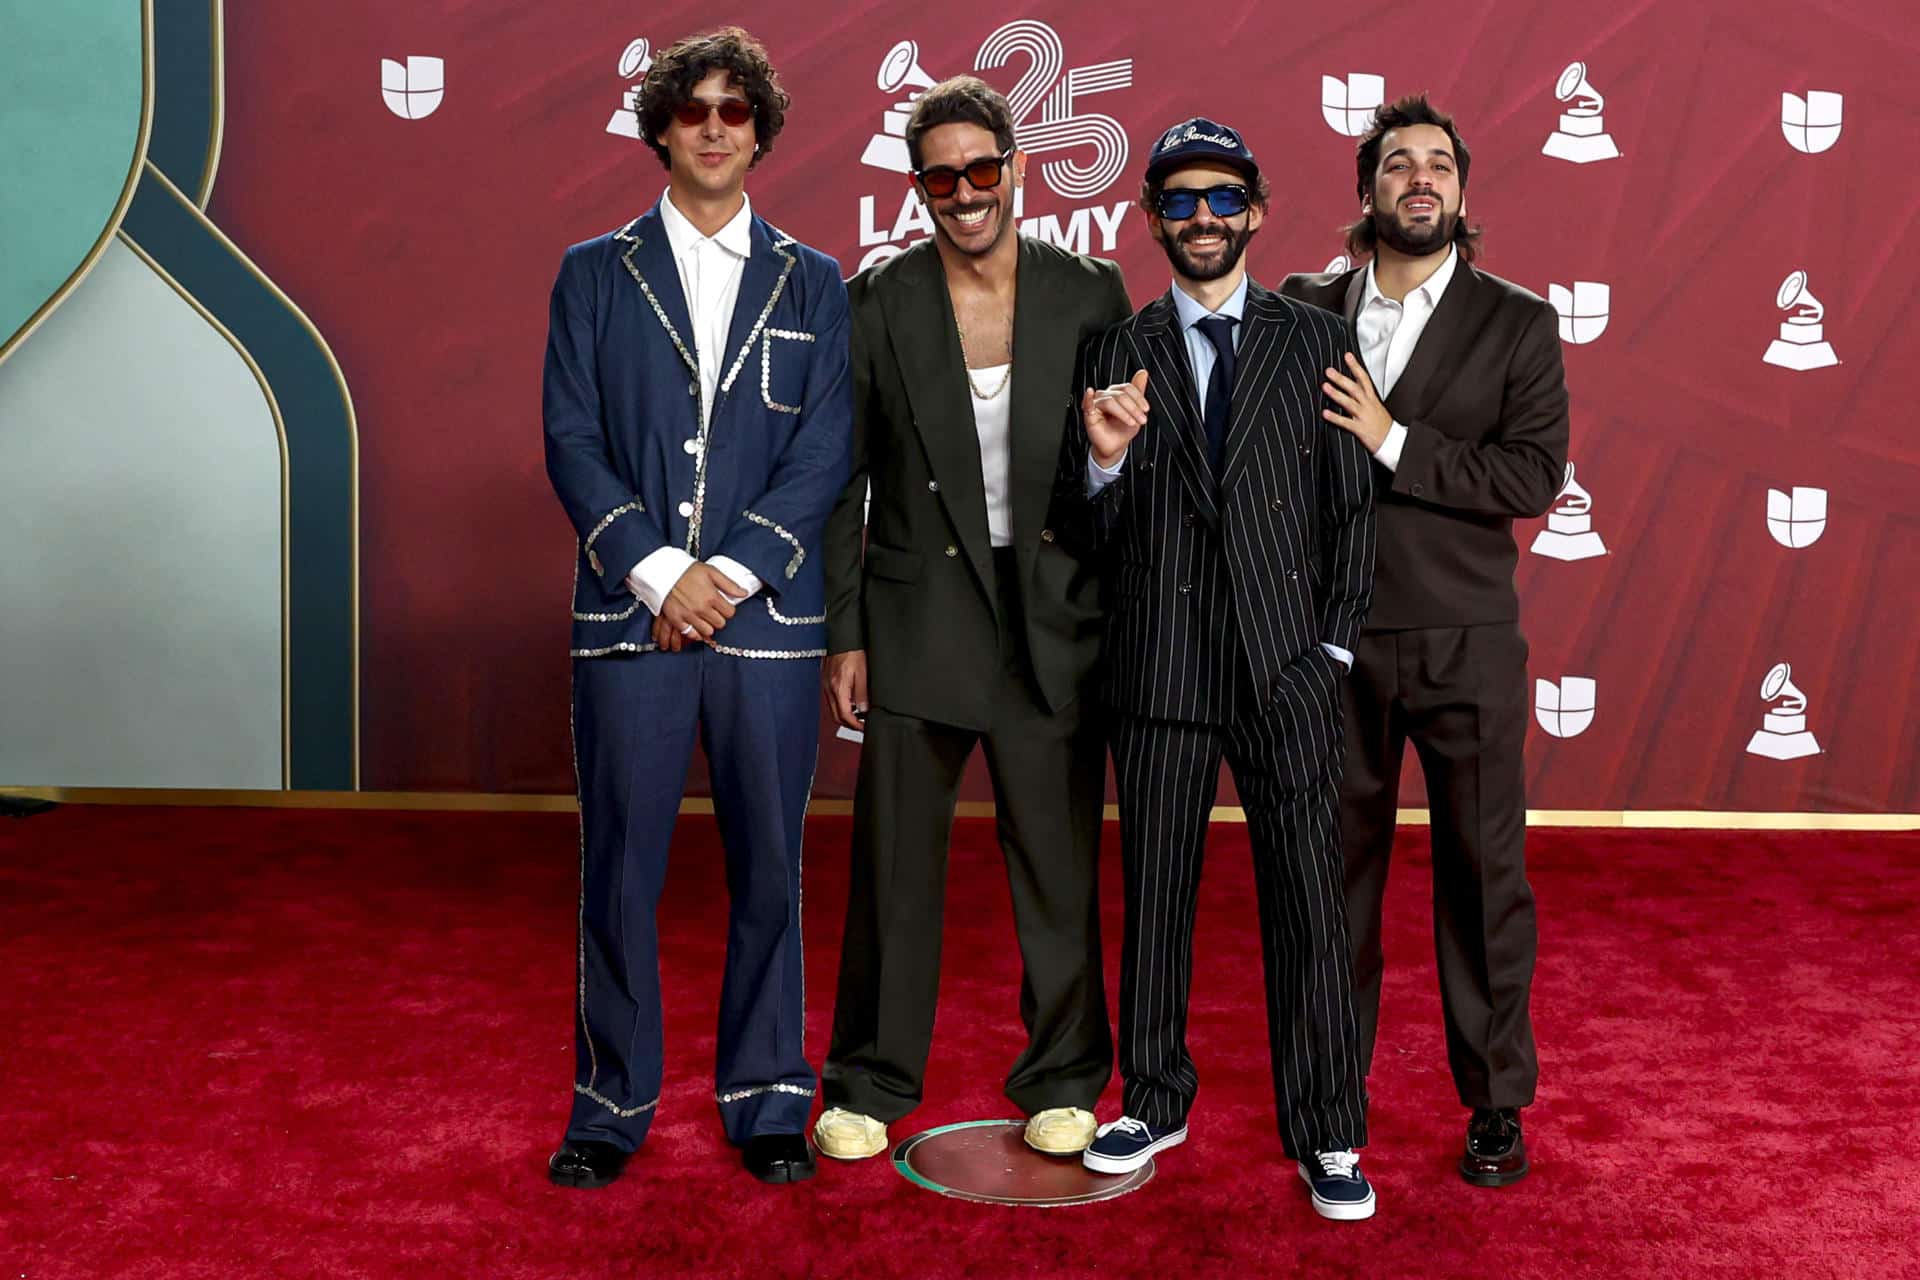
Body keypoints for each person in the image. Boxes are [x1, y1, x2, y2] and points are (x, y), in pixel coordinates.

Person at [540, 26, 850, 1188]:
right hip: (631, 623)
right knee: (620, 867)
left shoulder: (815, 281)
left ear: (760, 131)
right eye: (694, 108)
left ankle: (770, 1095)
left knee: (772, 862)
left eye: (734, 109)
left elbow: (825, 449)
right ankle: (610, 1103)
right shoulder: (591, 272)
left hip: (767, 625)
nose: (715, 125)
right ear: (661, 128)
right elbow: (571, 437)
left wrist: (734, 574)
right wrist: (664, 574)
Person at [1062, 118, 1379, 1221]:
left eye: (1220, 197)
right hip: (1158, 672)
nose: (1201, 217)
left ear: (1255, 208)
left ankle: (1331, 1128)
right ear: (1150, 218)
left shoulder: (1317, 339)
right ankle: (1154, 1093)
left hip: (1287, 671)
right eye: (1179, 201)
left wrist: (1328, 650)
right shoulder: (1115, 348)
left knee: (1308, 909)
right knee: (1154, 898)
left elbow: (1352, 511)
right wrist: (1101, 463)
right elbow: (1080, 534)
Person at [812, 76, 1132, 1163]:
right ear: (919, 188)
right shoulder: (876, 299)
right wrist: (842, 632)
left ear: (1018, 170)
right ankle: (866, 1080)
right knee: (894, 864)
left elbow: (1123, 469)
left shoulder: (1089, 292)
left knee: (1056, 859)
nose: (964, 192)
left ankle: (1063, 1075)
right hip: (914, 615)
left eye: (981, 170)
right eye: (941, 176)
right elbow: (838, 483)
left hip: (1052, 616)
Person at [1280, 93, 1568, 1188]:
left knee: (1483, 878)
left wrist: (1394, 438)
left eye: (1437, 164)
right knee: (1331, 881)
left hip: (1465, 642)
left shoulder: (1517, 321)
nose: (1418, 178)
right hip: (1331, 643)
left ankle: (1495, 1101)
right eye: (1396, 162)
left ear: (1461, 190)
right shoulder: (1303, 310)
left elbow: (1531, 476)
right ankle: (1329, 1099)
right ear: (1367, 190)